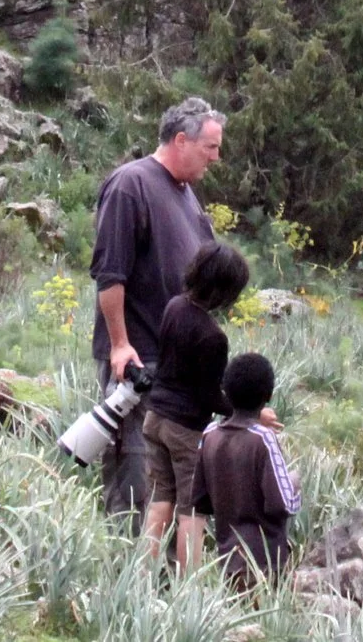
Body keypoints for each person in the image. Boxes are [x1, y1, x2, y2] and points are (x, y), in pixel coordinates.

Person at [89, 95, 223, 519]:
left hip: (177, 368)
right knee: (134, 472)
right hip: (139, 363)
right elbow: (110, 274)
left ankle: (162, 578)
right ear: (182, 140)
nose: (216, 159)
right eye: (211, 148)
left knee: (169, 483)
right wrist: (119, 346)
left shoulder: (186, 195)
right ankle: (125, 574)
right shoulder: (131, 184)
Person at [143, 242, 255, 568]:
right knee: (193, 511)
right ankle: (186, 588)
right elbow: (209, 396)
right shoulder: (213, 337)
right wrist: (247, 410)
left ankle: (142, 578)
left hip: (154, 418)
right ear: (226, 290)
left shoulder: (174, 306)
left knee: (159, 501)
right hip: (184, 429)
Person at [189, 352, 298, 587]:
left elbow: (199, 501)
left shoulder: (209, 436)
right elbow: (283, 504)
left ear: (226, 391)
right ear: (267, 395)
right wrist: (295, 484)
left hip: (228, 563)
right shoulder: (263, 438)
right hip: (267, 566)